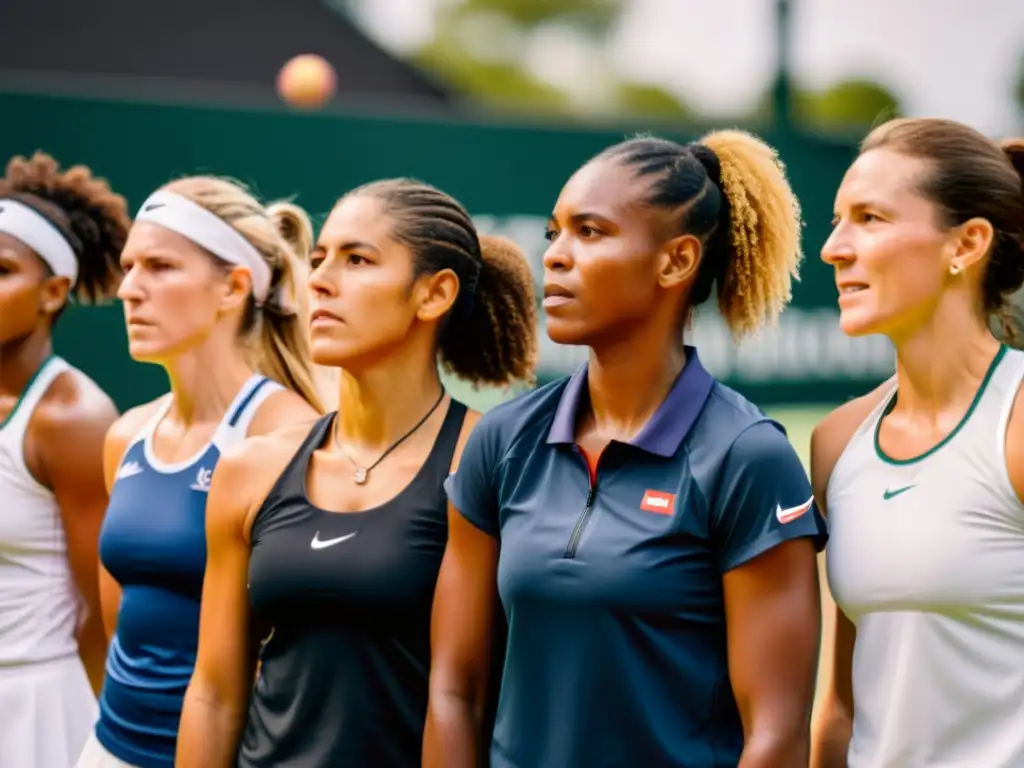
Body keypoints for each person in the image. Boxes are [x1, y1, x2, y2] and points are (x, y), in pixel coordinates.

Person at [426, 130, 830, 768]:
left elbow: (776, 737)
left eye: (590, 232)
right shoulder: (501, 442)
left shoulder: (747, 458)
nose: (554, 255)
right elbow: (455, 692)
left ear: (676, 261)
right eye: (556, 231)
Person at [176, 178, 538, 768]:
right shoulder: (250, 468)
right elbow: (214, 695)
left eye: (357, 259)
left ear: (434, 294)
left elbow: (473, 696)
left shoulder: (494, 463)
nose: (318, 279)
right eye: (319, 259)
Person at [76, 176, 328, 768]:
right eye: (128, 266)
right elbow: (120, 627)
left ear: (233, 287)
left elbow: (287, 653)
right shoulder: (125, 436)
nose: (129, 290)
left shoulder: (288, 438)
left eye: (160, 267)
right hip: (106, 748)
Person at [810, 118, 1024, 767]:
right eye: (837, 219)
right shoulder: (836, 443)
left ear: (967, 244)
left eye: (870, 218)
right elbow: (842, 710)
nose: (834, 248)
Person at [0, 152, 130, 768]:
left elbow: (104, 613)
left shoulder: (71, 419)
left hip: (39, 711)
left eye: (1, 270)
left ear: (53, 292)